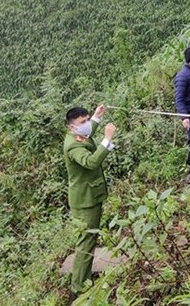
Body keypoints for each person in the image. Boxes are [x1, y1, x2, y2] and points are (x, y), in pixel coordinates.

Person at [64, 104, 116, 294]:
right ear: (72, 126)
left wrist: (96, 117)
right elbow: (91, 162)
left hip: (89, 196)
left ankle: (83, 280)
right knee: (86, 242)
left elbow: (86, 134)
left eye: (87, 121)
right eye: (82, 122)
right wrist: (107, 139)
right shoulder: (72, 146)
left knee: (89, 239)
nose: (86, 125)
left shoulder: (76, 135)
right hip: (85, 201)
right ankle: (79, 287)